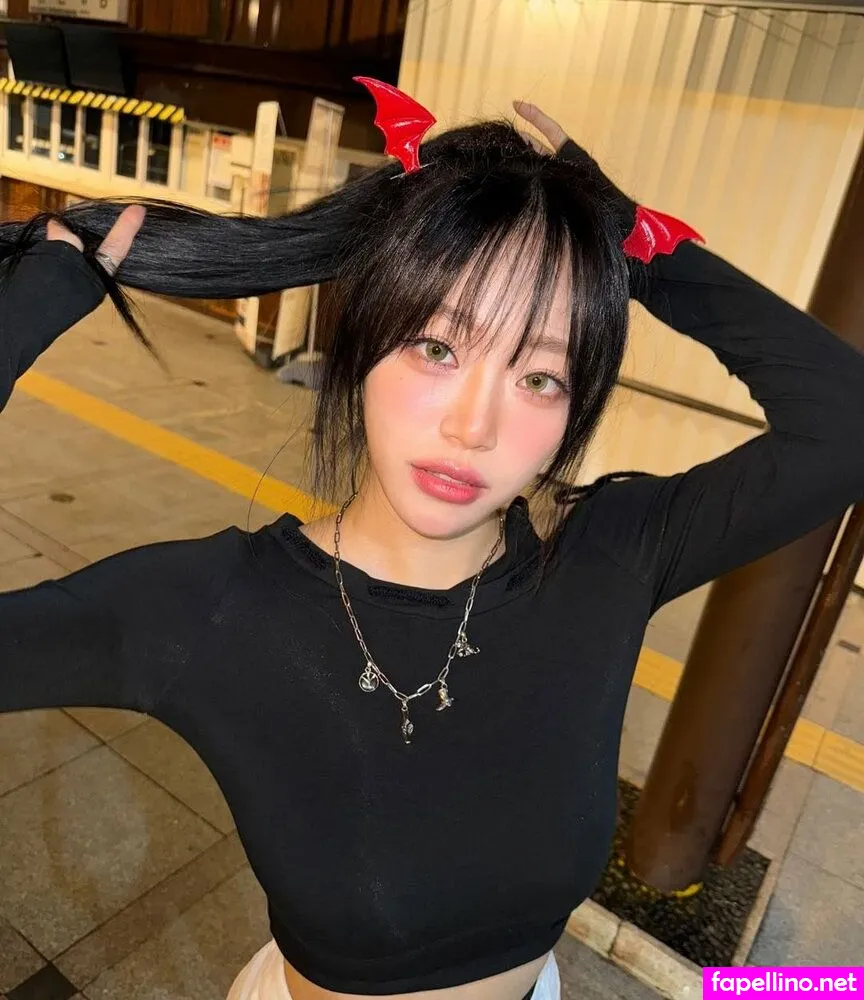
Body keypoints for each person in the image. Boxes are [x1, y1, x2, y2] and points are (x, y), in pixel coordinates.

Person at [1, 92, 863, 1000]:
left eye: (540, 376)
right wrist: (30, 311)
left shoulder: (609, 560)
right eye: (437, 348)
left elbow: (844, 425)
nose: (473, 427)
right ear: (361, 343)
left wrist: (629, 241)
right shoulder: (204, 610)